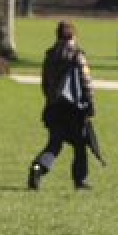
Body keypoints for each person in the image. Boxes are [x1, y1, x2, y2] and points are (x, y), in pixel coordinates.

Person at [28, 21, 97, 192]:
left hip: (55, 107)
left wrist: (51, 100)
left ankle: (37, 169)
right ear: (73, 36)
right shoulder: (77, 55)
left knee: (54, 144)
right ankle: (80, 180)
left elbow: (45, 83)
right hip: (74, 109)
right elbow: (86, 83)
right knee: (80, 145)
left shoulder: (50, 55)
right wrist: (91, 105)